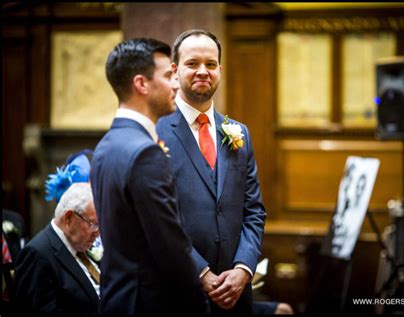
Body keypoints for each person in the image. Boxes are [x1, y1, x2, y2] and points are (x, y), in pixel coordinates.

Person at [90, 38, 209, 314]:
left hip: (118, 299)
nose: (177, 85)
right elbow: (170, 247)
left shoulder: (107, 144)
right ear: (142, 84)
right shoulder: (145, 152)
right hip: (149, 302)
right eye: (169, 76)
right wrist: (199, 305)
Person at [156, 29, 266, 314]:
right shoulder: (155, 131)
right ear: (175, 71)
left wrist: (243, 269)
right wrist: (201, 273)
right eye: (192, 64)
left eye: (211, 64)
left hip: (236, 295)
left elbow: (253, 210)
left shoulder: (238, 132)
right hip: (177, 293)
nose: (203, 71)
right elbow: (155, 219)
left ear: (220, 69)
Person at [14, 183, 100, 313]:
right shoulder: (36, 255)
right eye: (93, 224)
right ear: (69, 218)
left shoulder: (78, 244)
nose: (98, 233)